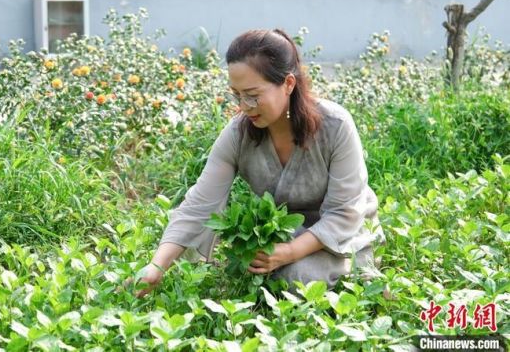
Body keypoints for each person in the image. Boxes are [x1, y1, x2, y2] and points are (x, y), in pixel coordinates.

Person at [134, 29, 384, 297]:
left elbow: (344, 213)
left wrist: (288, 253)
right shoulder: (238, 133)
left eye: (253, 95)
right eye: (236, 95)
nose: (244, 106)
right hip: (280, 237)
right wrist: (156, 267)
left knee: (297, 279)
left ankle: (365, 282)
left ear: (288, 84)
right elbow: (199, 205)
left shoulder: (335, 126)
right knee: (247, 271)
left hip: (343, 237)